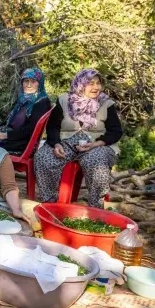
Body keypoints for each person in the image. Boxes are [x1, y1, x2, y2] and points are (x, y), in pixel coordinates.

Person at [35, 69, 123, 208]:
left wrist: (96, 144)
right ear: (80, 84)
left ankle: (95, 206)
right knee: (44, 157)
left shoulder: (106, 103)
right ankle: (49, 202)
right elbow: (52, 126)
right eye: (90, 83)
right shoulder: (64, 100)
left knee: (96, 161)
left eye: (98, 83)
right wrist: (56, 144)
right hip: (66, 142)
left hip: (97, 145)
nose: (96, 87)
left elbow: (116, 131)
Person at [0, 68, 52, 155]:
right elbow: (9, 122)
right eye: (26, 81)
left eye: (33, 81)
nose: (29, 85)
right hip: (12, 136)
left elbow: (30, 130)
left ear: (39, 84)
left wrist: (3, 135)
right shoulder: (22, 99)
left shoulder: (41, 102)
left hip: (22, 143)